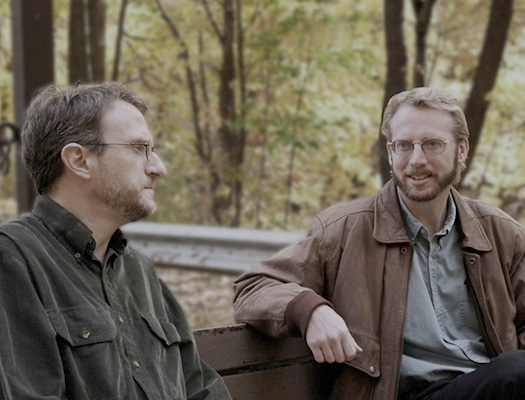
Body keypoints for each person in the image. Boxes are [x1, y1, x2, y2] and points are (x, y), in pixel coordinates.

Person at [233, 87, 525, 400]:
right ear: (390, 152)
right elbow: (254, 287)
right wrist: (311, 310)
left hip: (487, 387)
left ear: (462, 149)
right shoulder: (343, 230)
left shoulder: (499, 233)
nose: (416, 160)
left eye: (432, 144)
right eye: (404, 145)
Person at [0, 83, 232, 399]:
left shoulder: (139, 271)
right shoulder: (13, 259)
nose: (158, 168)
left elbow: (201, 388)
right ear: (79, 160)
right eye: (139, 148)